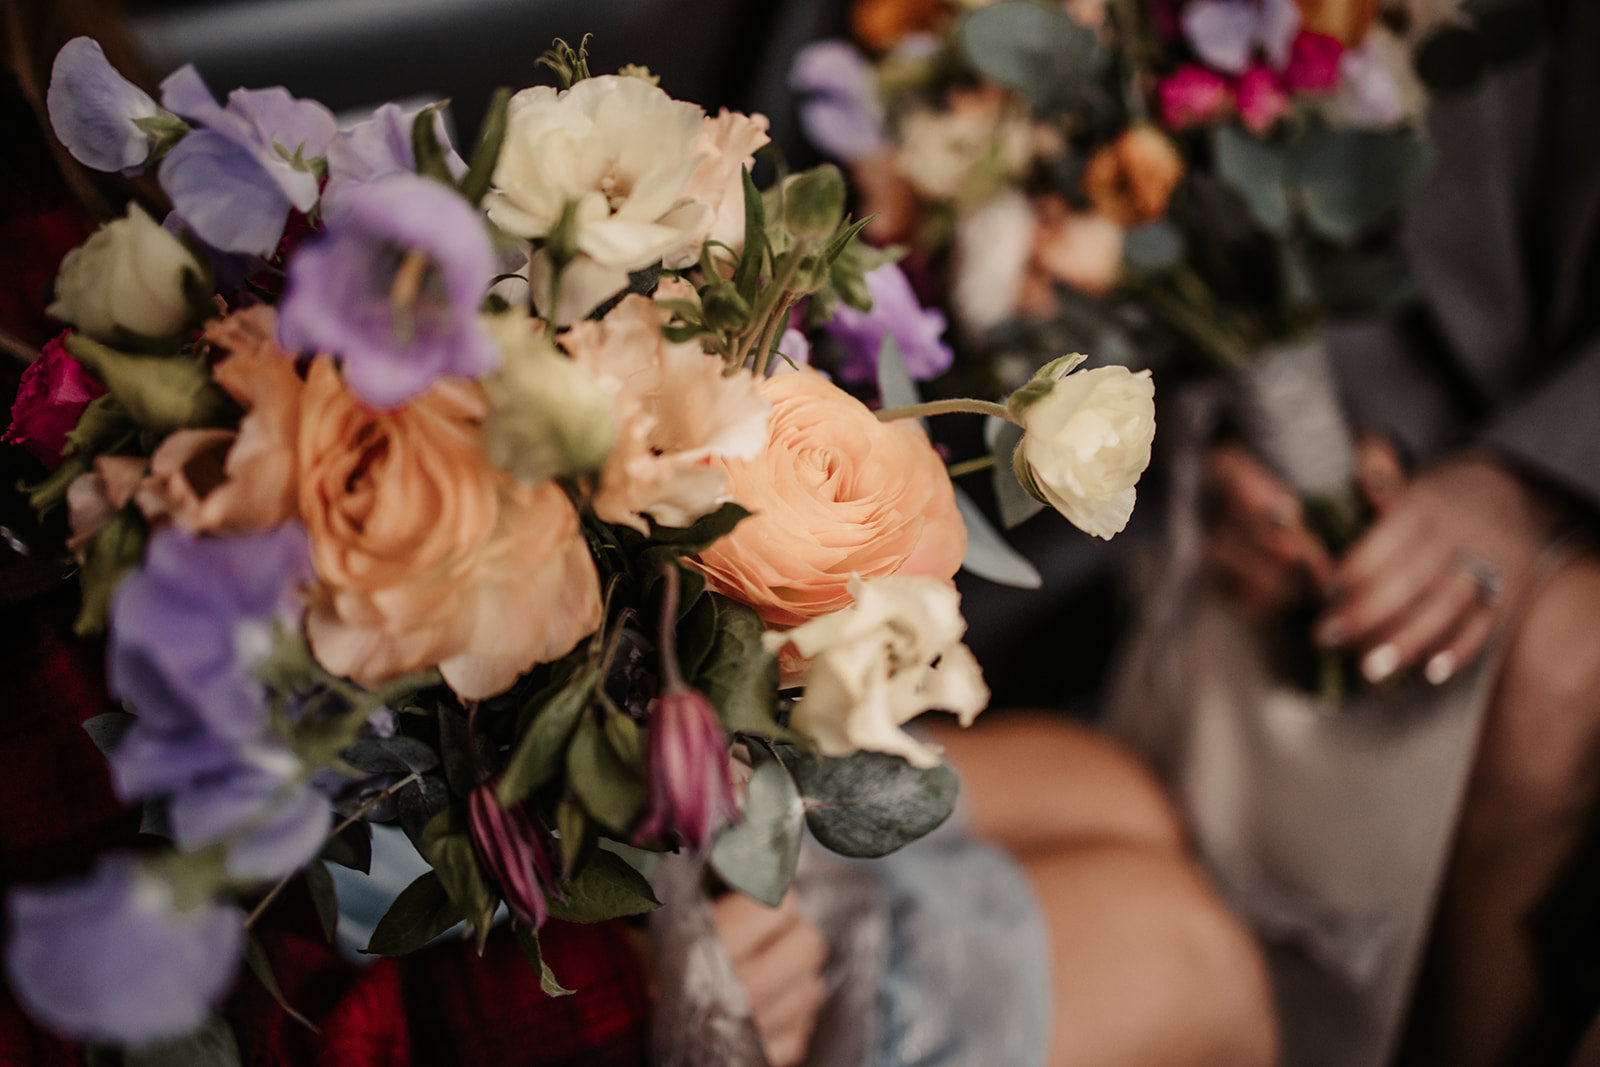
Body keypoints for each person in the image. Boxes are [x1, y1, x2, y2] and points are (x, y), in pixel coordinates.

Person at [1176, 1, 1600, 1062]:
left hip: (1555, 432)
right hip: (1291, 435)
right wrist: (1237, 463)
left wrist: (1526, 475)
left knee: (1566, 669)